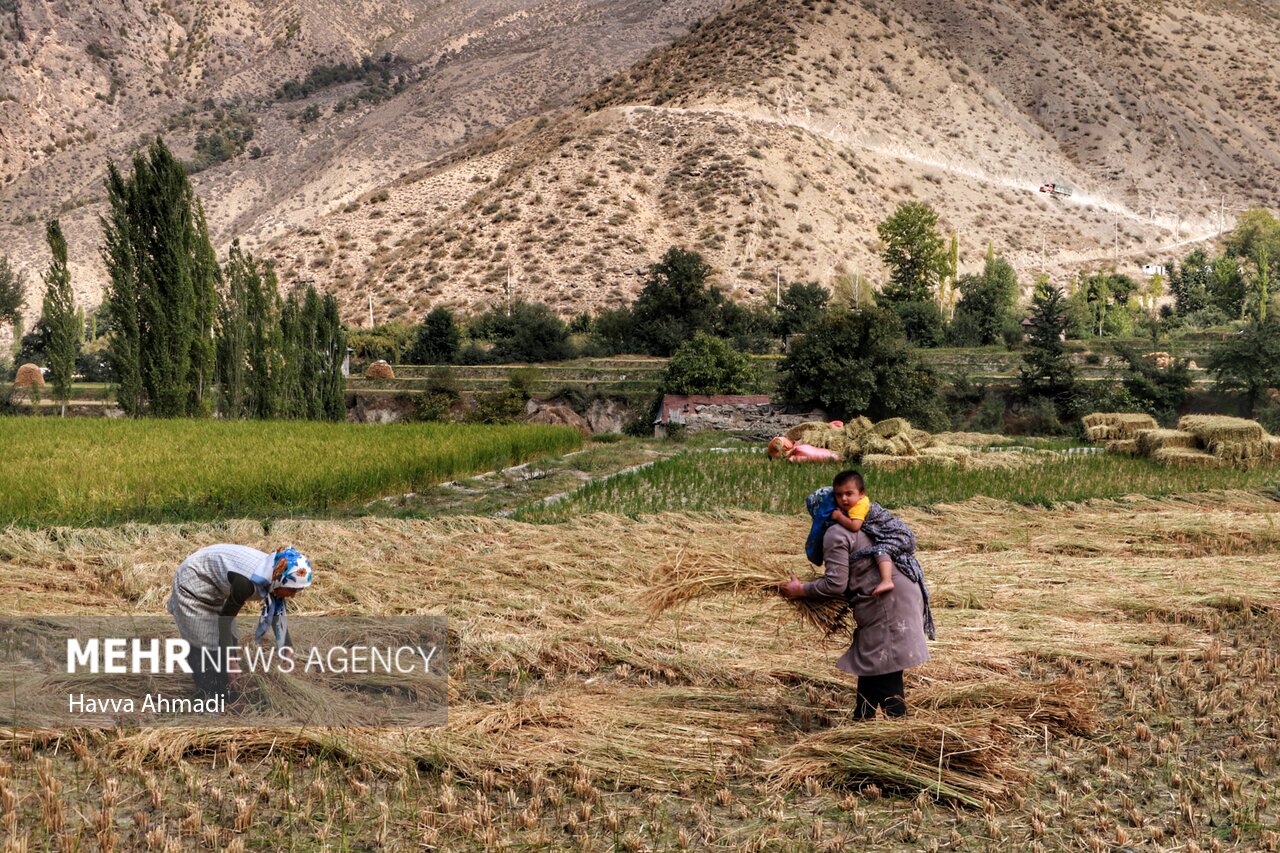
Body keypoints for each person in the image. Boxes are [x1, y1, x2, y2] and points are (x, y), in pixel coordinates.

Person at [781, 471, 930, 719]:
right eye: (838, 496)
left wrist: (800, 590)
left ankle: (900, 726)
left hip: (886, 601)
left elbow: (834, 584)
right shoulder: (861, 522)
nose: (843, 500)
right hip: (902, 591)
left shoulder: (836, 533)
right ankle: (862, 718)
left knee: (886, 667)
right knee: (873, 662)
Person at [165, 544, 313, 698]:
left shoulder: (276, 572)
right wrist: (231, 661)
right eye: (291, 590)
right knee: (205, 647)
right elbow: (225, 620)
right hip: (194, 580)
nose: (293, 595)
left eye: (297, 591)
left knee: (229, 641)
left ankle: (225, 686)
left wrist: (286, 647)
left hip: (217, 584)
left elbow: (277, 611)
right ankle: (207, 695)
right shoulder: (247, 583)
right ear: (280, 580)